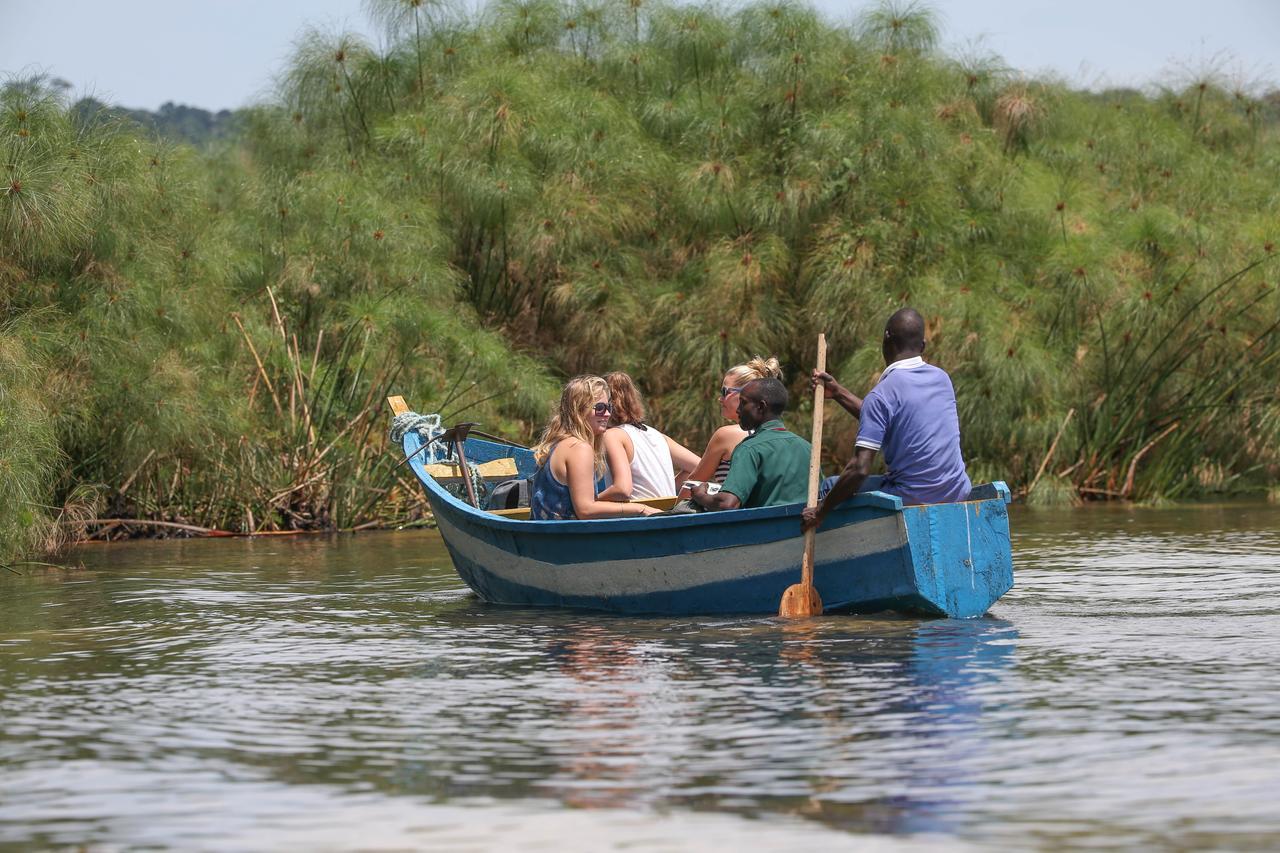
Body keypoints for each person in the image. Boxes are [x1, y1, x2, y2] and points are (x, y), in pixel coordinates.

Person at [802, 308, 972, 533]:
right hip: (957, 491)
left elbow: (859, 470)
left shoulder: (881, 395)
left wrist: (820, 511)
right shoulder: (942, 379)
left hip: (912, 498)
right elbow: (889, 418)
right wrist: (839, 393)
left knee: (830, 487)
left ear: (886, 340)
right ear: (922, 346)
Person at [530, 375, 663, 520]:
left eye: (608, 407)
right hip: (565, 538)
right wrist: (640, 508)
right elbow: (585, 510)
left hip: (548, 536)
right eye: (600, 408)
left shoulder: (558, 444)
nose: (607, 414)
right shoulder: (578, 448)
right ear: (579, 410)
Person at [690, 378, 810, 510]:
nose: (738, 410)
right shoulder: (807, 448)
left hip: (763, 528)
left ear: (761, 407)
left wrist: (700, 496)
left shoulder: (749, 448)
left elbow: (727, 504)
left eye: (743, 403)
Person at [679, 356, 783, 495]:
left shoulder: (726, 435)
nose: (720, 399)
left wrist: (672, 512)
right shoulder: (779, 434)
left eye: (725, 392)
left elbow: (691, 486)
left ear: (746, 394)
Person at [597, 372, 701, 500]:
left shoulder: (612, 436)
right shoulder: (658, 435)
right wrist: (666, 488)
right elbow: (699, 467)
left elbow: (622, 489)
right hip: (666, 512)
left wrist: (590, 501)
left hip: (636, 516)